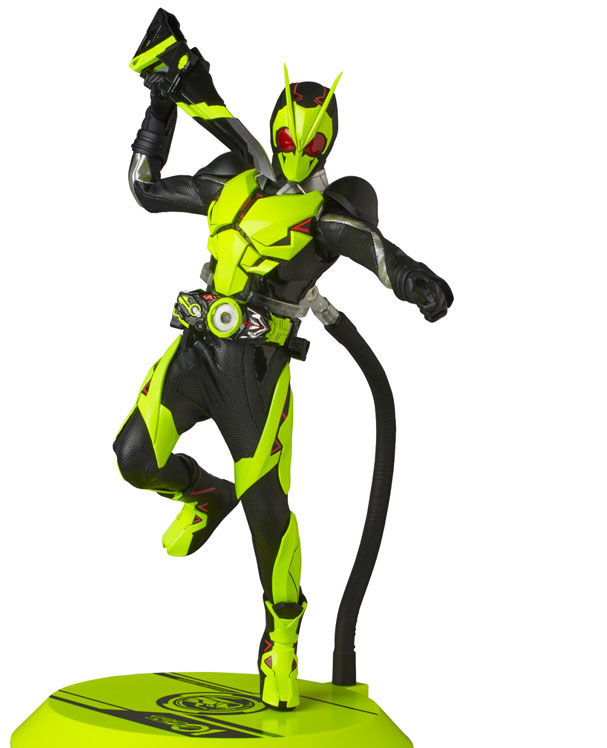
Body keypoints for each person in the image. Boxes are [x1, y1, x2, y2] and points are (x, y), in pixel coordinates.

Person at [114, 67, 453, 710]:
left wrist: (421, 286)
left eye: (312, 141)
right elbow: (146, 189)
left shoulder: (327, 216)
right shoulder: (232, 181)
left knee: (267, 513)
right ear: (273, 130)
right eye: (289, 136)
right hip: (195, 352)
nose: (298, 149)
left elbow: (380, 253)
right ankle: (204, 493)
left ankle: (282, 635)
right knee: (134, 458)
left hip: (257, 373)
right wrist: (160, 109)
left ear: (328, 145)